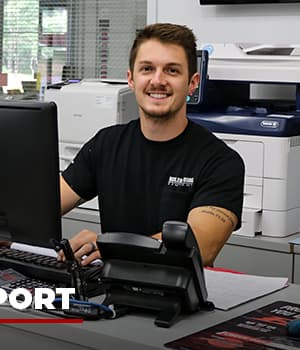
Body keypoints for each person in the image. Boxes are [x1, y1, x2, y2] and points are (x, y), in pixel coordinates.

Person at [59, 23, 244, 267]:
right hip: (112, 292)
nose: (158, 80)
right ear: (131, 79)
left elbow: (200, 246)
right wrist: (5, 230)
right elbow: (44, 204)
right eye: (147, 69)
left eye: (172, 71)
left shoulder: (221, 162)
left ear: (192, 83)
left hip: (179, 298)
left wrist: (111, 248)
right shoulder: (106, 144)